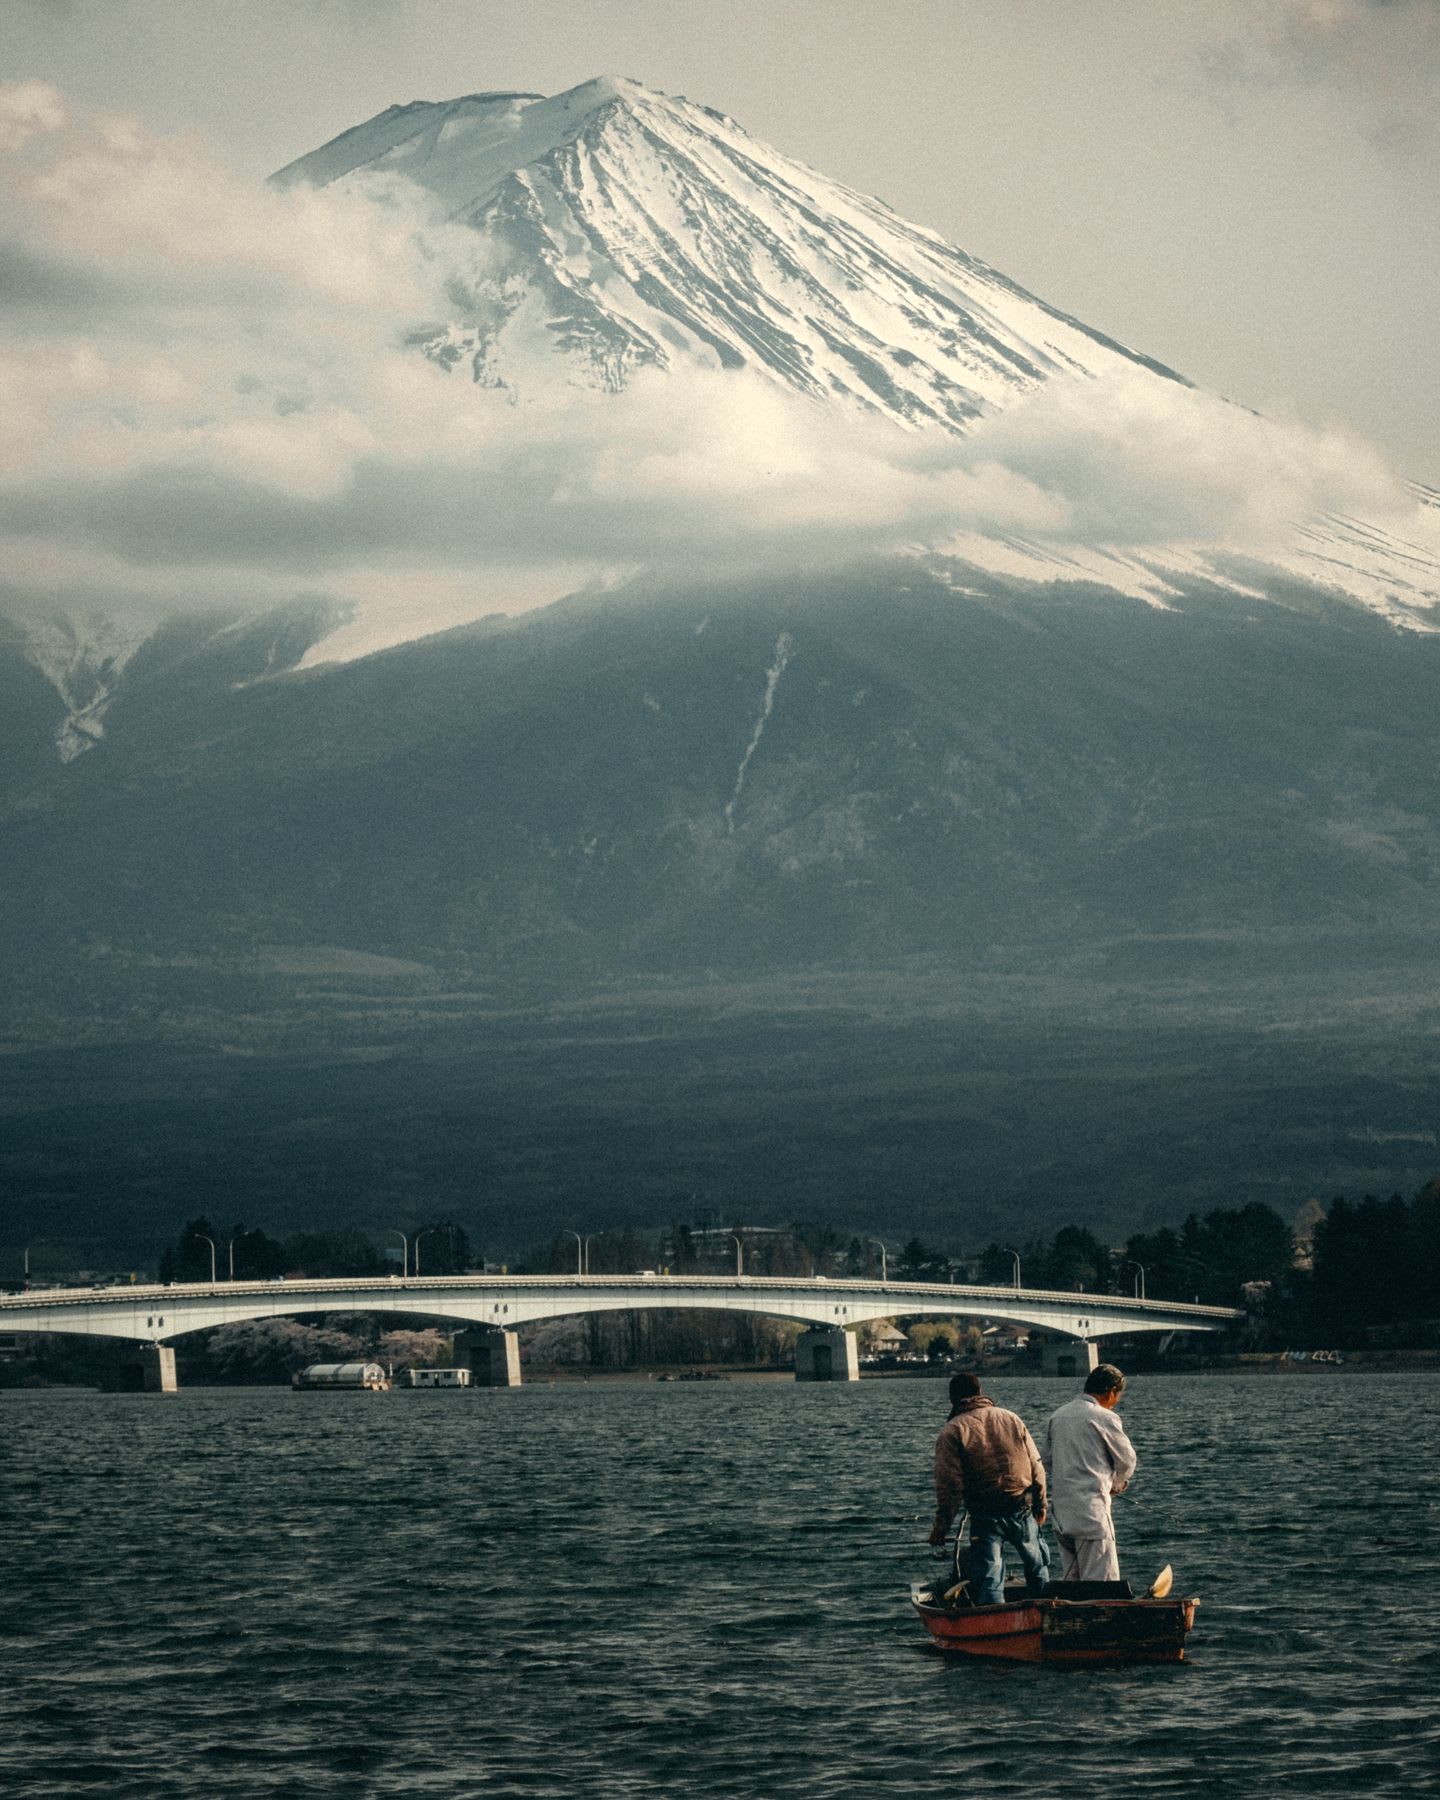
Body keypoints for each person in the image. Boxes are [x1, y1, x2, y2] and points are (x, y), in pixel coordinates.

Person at [926, 1372, 1049, 1604]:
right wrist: (1041, 1504)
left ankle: (995, 1625)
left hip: (985, 1515)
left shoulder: (952, 1431)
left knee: (990, 1576)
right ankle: (1044, 1612)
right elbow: (1037, 1466)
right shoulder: (1012, 1418)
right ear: (980, 1392)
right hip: (1022, 1507)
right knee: (1037, 1566)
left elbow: (950, 1487)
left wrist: (941, 1529)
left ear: (953, 1399)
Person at [1041, 1362, 1137, 1583]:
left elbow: (1046, 1459)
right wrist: (1117, 1483)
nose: (1116, 1402)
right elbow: (1127, 1461)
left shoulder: (1058, 1415)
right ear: (1111, 1391)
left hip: (1062, 1516)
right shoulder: (1105, 1417)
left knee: (1071, 1583)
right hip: (1092, 1516)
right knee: (1101, 1584)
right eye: (1117, 1395)